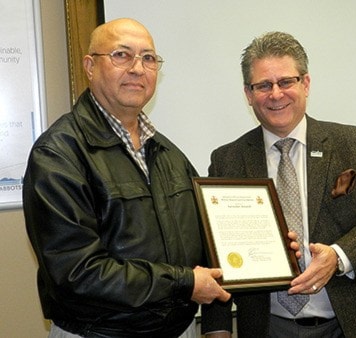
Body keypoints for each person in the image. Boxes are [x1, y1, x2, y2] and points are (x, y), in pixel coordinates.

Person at [23, 18, 232, 338]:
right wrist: (185, 282)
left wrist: (261, 246)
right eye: (122, 55)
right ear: (90, 66)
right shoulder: (59, 154)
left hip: (179, 330)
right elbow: (78, 272)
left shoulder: (169, 154)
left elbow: (203, 239)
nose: (138, 68)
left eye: (149, 58)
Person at [201, 32, 356, 338]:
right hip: (267, 327)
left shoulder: (355, 144)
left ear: (306, 84)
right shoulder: (227, 160)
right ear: (248, 93)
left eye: (286, 81)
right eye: (263, 85)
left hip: (352, 325)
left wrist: (339, 257)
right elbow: (215, 254)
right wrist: (216, 329)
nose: (276, 94)